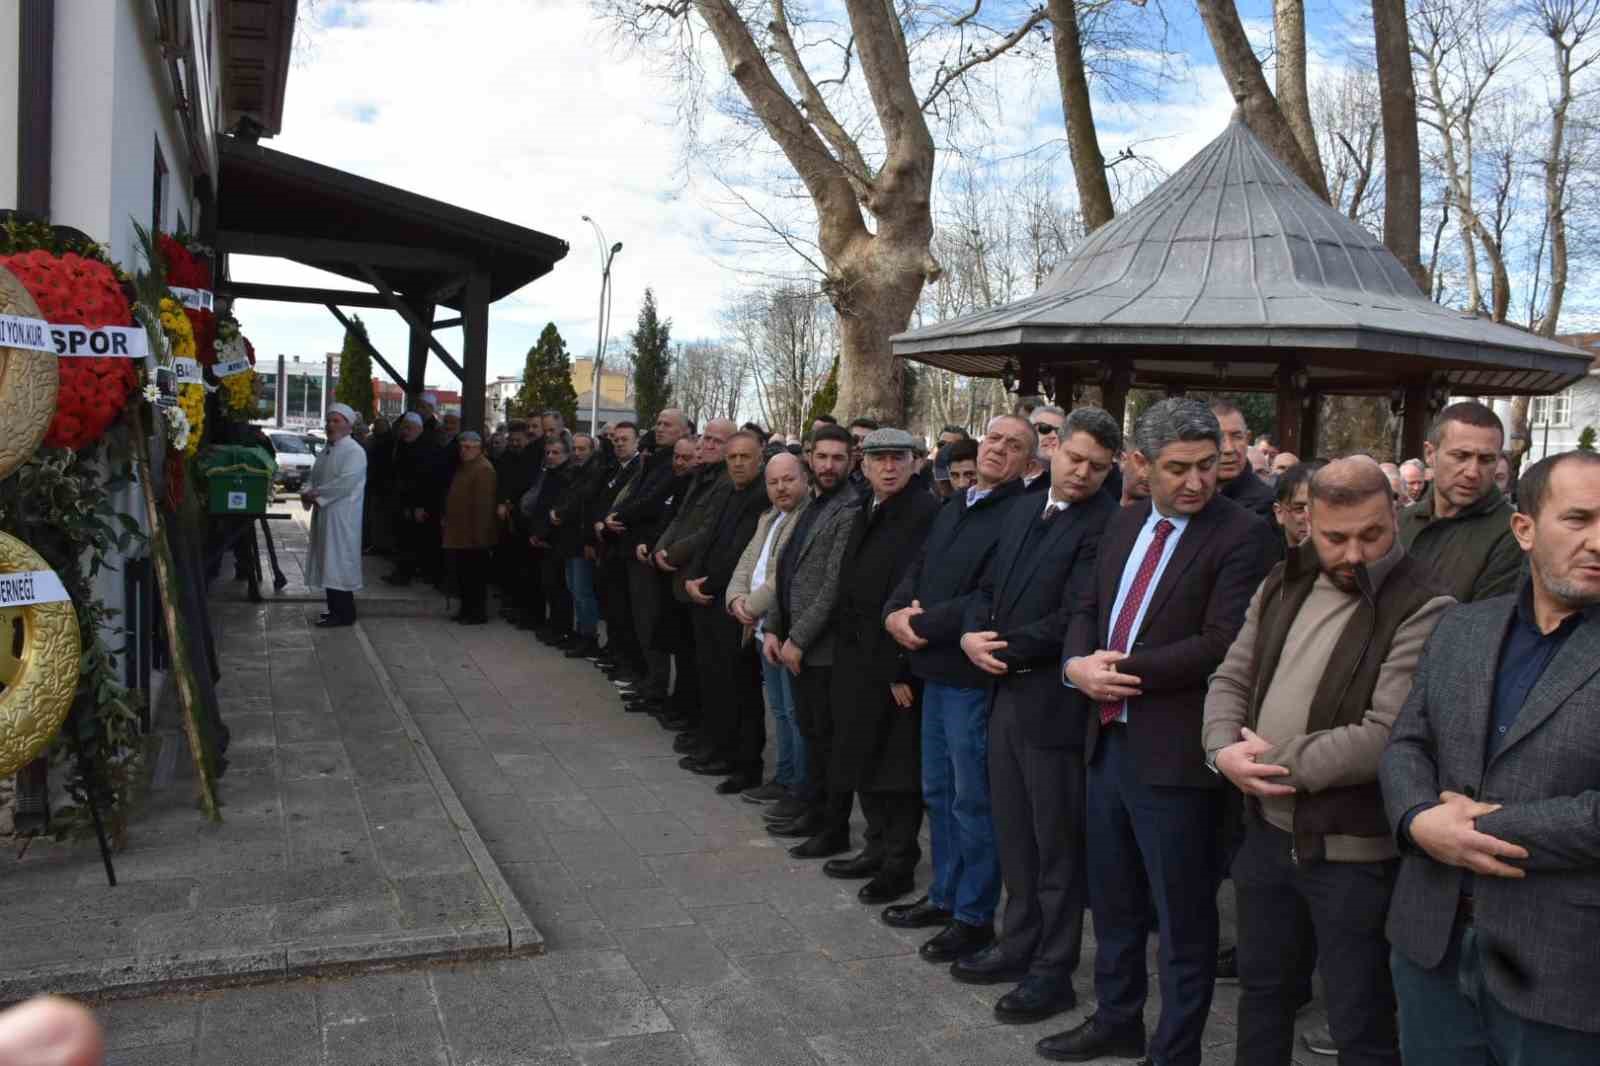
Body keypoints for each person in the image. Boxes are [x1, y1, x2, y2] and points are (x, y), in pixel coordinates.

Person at [1044, 398, 1275, 1066]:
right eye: (1178, 468)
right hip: (1105, 744)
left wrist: (1116, 672)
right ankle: (1117, 1019)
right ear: (1140, 465)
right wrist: (1075, 665)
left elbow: (1223, 643)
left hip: (1176, 760)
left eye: (1207, 466)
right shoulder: (1122, 524)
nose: (1197, 482)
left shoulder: (1241, 534)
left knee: (1182, 920)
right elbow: (1088, 606)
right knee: (1113, 904)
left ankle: (1176, 1050)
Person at [1204, 457, 1453, 1066]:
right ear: (1305, 522)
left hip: (1354, 856)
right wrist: (1219, 750)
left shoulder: (1426, 603)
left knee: (1359, 1021)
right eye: (1334, 537)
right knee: (1261, 996)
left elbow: (1384, 734)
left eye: (1372, 534)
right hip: (1266, 836)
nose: (1354, 554)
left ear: (1395, 514)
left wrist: (1267, 764)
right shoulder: (1284, 579)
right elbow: (1233, 672)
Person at [1381, 449, 1600, 1064]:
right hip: (1432, 946)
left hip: (1565, 966)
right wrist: (1417, 819)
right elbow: (1407, 743)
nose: (1597, 542)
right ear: (1524, 529)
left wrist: (1473, 830)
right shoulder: (1464, 628)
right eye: (1578, 519)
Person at [955, 407, 1120, 1023]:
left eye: (1097, 467)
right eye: (1074, 458)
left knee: (1056, 848)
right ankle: (1016, 943)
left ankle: (1054, 971)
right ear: (1053, 450)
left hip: (1054, 703)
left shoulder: (1106, 525)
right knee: (1014, 835)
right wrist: (972, 633)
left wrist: (1000, 646)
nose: (1081, 473)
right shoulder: (1025, 504)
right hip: (1004, 694)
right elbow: (986, 586)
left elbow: (1078, 614)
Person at [881, 414, 1035, 963]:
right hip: (934, 673)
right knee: (939, 794)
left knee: (973, 802)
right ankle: (944, 896)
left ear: (1027, 461)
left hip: (971, 680)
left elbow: (987, 596)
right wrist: (895, 611)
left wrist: (918, 626)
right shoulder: (956, 502)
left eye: (1013, 446)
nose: (999, 451)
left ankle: (973, 915)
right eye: (994, 439)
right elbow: (918, 567)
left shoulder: (1021, 513)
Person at [827, 428, 942, 903]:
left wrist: (902, 668)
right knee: (864, 757)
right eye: (879, 459)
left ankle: (898, 861)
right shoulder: (867, 507)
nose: (889, 467)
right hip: (858, 659)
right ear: (864, 464)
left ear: (916, 462)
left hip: (893, 664)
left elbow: (921, 591)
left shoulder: (924, 513)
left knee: (896, 770)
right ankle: (875, 848)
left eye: (899, 458)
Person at [762, 425, 862, 854]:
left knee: (829, 742)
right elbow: (787, 571)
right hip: (794, 643)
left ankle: (832, 827)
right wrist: (773, 628)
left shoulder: (852, 508)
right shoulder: (813, 505)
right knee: (811, 734)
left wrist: (798, 639)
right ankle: (814, 812)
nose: (828, 465)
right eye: (822, 457)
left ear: (851, 461)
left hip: (824, 650)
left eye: (838, 458)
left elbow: (834, 585)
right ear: (810, 459)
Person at [680, 429, 770, 792]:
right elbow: (708, 539)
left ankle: (743, 763)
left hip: (733, 606)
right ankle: (718, 748)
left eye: (745, 457)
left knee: (740, 690)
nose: (737, 464)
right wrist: (692, 579)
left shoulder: (761, 498)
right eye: (732, 458)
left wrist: (708, 584)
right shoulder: (728, 493)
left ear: (759, 458)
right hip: (707, 600)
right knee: (714, 681)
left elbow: (740, 554)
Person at [727, 452, 813, 806]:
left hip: (787, 630)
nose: (781, 487)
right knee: (779, 710)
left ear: (805, 479)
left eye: (788, 479)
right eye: (774, 482)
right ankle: (785, 776)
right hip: (763, 631)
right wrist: (734, 599)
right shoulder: (770, 517)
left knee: (796, 715)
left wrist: (750, 605)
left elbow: (785, 576)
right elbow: (747, 563)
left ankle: (799, 785)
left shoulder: (806, 517)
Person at [605, 410, 694, 713]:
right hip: (635, 546)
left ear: (684, 430)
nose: (659, 428)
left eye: (667, 424)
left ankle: (655, 686)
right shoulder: (655, 458)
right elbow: (637, 495)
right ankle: (647, 681)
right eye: (657, 423)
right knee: (639, 621)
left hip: (650, 551)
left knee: (649, 622)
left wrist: (620, 517)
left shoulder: (673, 466)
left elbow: (655, 502)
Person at [1399, 401, 1523, 604]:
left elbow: (1482, 625)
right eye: (1461, 456)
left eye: (1486, 459)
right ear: (1430, 454)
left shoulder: (1512, 536)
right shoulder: (1400, 520)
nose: (1472, 472)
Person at [302, 404, 368, 628]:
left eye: (336, 421)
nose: (330, 425)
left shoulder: (354, 451)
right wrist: (308, 490)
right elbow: (315, 475)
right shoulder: (328, 449)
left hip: (342, 517)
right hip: (326, 513)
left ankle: (345, 614)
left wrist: (317, 494)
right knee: (328, 563)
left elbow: (345, 483)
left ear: (348, 425)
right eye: (329, 421)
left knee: (339, 563)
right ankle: (333, 610)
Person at [442, 431, 499, 625]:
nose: (464, 451)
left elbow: (484, 506)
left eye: (469, 447)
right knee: (464, 575)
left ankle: (476, 613)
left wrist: (480, 537)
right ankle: (466, 610)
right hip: (461, 532)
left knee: (474, 577)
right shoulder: (466, 466)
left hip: (473, 535)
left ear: (479, 448)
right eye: (462, 447)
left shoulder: (483, 469)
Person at [1212, 399, 1276, 521]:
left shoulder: (1265, 503)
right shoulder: (1193, 497)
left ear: (1247, 439)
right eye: (1219, 438)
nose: (1228, 449)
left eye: (1237, 437)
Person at [1271, 461, 1317, 552]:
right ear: (1279, 512)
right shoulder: (1264, 561)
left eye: (1318, 508)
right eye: (1300, 508)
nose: (1310, 517)